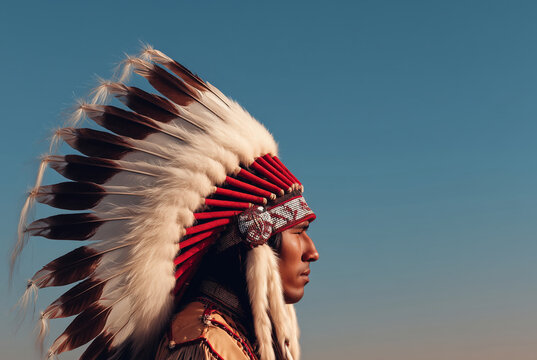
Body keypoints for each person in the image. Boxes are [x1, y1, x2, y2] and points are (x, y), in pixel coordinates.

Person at [12, 46, 319, 360]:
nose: (313, 252)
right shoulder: (204, 344)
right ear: (254, 240)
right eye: (298, 232)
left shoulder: (229, 337)